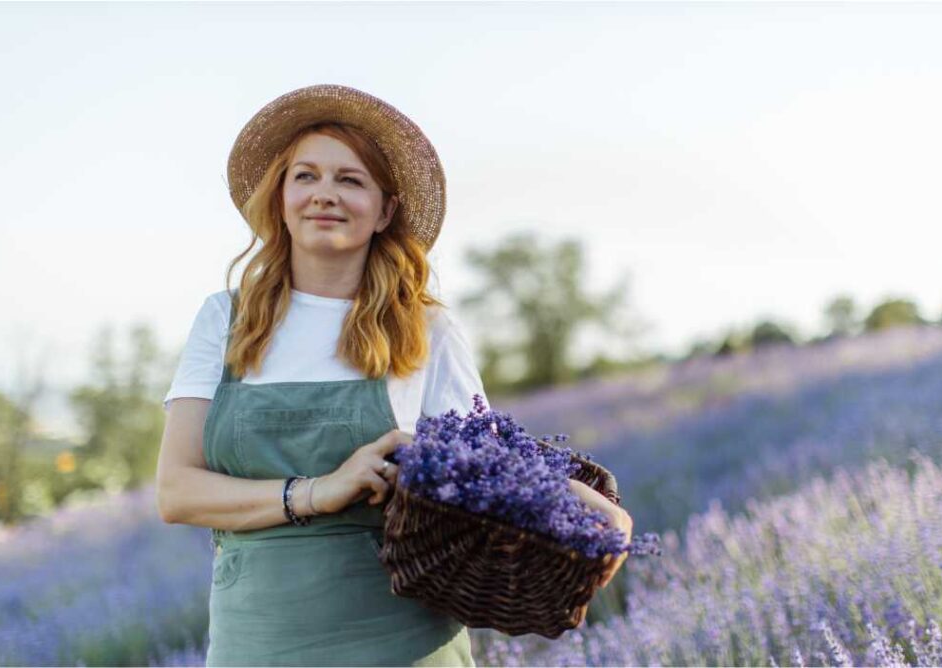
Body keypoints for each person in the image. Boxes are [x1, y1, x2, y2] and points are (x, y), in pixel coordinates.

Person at [155, 84, 632, 667]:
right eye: (305, 176)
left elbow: (492, 473)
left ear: (385, 210)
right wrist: (319, 490)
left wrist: (589, 508)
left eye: (350, 180)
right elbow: (177, 491)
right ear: (279, 197)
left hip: (402, 641)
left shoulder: (426, 329)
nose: (324, 194)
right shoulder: (224, 321)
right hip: (258, 640)